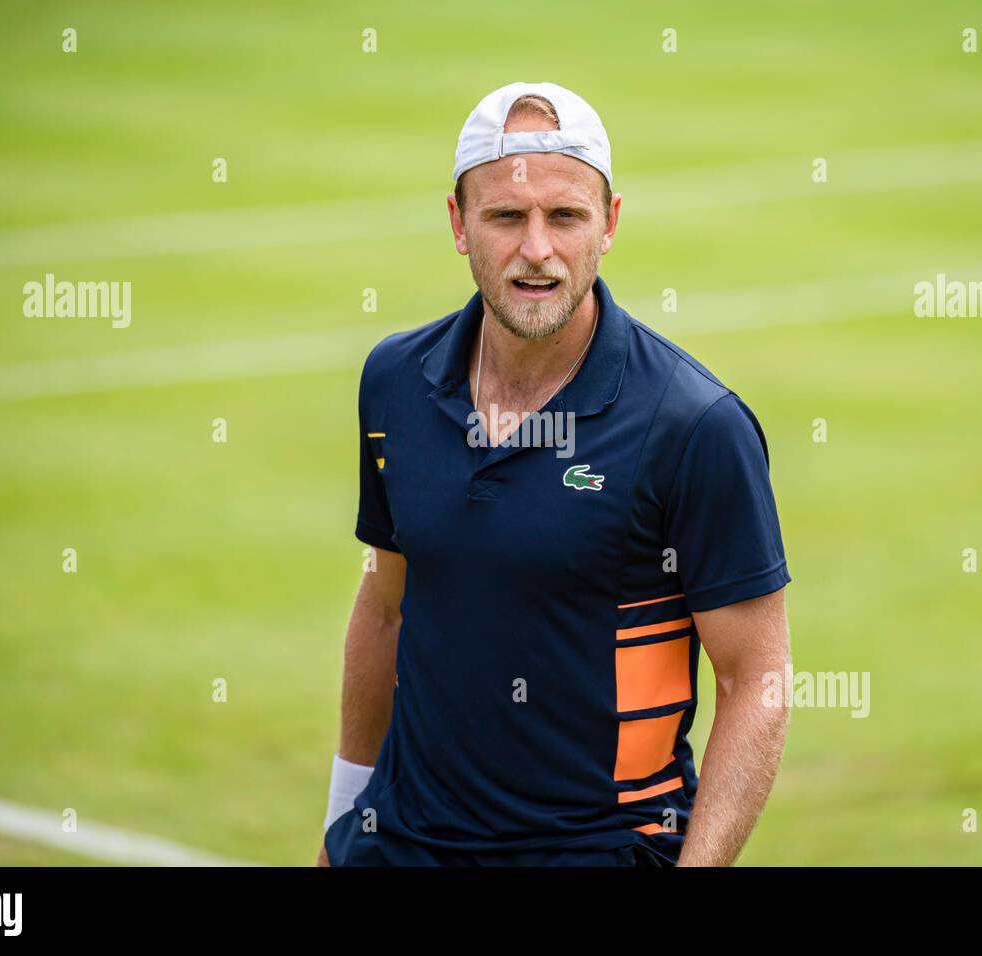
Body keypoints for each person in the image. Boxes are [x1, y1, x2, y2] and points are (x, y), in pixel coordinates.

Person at [317, 81, 791, 866]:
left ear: (607, 225)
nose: (537, 250)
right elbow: (386, 610)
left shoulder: (694, 426)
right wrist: (341, 830)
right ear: (458, 225)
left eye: (564, 217)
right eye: (506, 217)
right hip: (398, 847)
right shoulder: (393, 382)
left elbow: (756, 681)